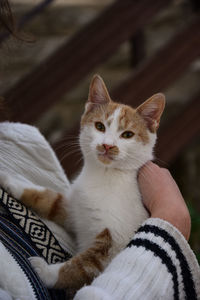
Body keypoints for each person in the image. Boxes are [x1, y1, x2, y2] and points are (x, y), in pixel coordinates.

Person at [0, 1, 199, 299]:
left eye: (127, 134)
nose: (108, 143)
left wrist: (53, 274)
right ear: (87, 114)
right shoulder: (89, 179)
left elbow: (103, 250)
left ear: (151, 128)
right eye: (101, 126)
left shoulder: (130, 189)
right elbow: (74, 214)